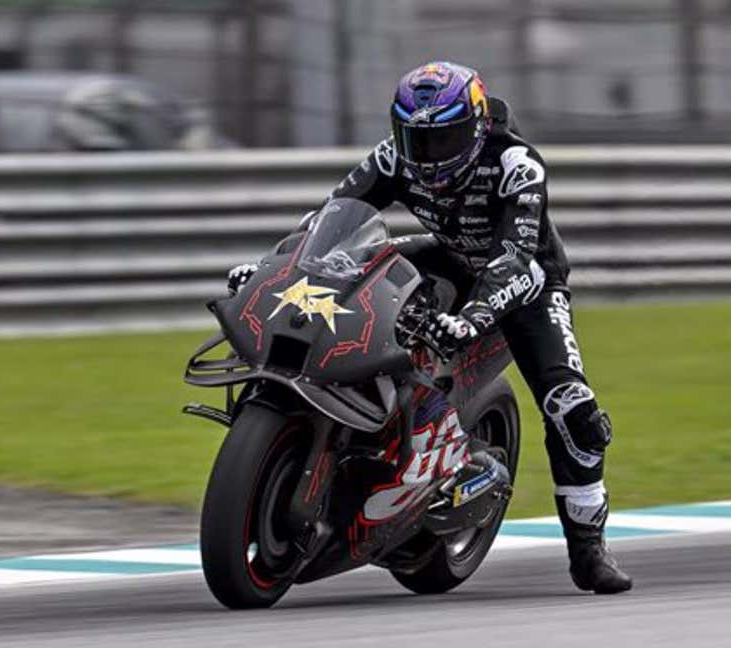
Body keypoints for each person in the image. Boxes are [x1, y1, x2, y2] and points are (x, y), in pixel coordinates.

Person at [228, 61, 632, 594]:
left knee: (572, 409)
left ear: (479, 124)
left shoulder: (516, 165)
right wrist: (270, 272)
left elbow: (514, 257)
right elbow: (328, 219)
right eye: (417, 139)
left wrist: (473, 319)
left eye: (445, 139)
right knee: (352, 274)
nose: (429, 155)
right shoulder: (394, 157)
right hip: (446, 259)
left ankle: (588, 549)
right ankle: (365, 431)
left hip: (529, 282)